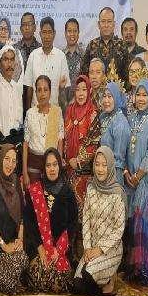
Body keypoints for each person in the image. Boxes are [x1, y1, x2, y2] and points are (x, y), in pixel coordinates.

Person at [72, 146, 126, 296]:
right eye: (97, 164)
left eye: (104, 165)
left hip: (110, 250)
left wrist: (100, 249)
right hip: (91, 248)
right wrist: (87, 248)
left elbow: (119, 230)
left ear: (110, 167)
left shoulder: (117, 193)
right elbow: (86, 221)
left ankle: (110, 278)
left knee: (87, 277)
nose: (100, 169)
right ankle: (101, 282)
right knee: (77, 284)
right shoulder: (91, 188)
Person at [25, 148, 78, 293]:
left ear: (59, 166)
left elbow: (72, 224)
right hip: (39, 248)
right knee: (38, 278)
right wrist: (40, 248)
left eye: (55, 164)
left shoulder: (67, 192)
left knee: (58, 283)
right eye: (48, 165)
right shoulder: (35, 190)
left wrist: (58, 250)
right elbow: (29, 222)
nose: (52, 169)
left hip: (60, 249)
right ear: (44, 168)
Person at [125, 78, 148, 282]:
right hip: (131, 179)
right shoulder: (130, 118)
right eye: (137, 95)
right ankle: (135, 266)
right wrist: (127, 174)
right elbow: (124, 146)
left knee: (144, 220)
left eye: (144, 95)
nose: (140, 99)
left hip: (147, 179)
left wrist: (139, 175)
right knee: (133, 223)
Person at [0, 145, 29, 294]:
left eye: (14, 161)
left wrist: (19, 239)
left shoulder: (15, 180)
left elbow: (22, 215)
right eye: (7, 159)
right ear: (1, 158)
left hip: (12, 238)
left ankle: (3, 275)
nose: (10, 164)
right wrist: (4, 246)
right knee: (9, 282)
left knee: (23, 258)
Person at [0, 44, 25, 171]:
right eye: (6, 59)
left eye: (12, 59)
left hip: (16, 148)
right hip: (0, 149)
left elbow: (19, 121)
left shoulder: (17, 88)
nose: (9, 64)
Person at [64, 75, 99, 206]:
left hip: (85, 171)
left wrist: (78, 160)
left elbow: (93, 142)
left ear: (89, 91)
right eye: (78, 89)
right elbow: (64, 136)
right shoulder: (69, 110)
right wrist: (68, 159)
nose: (80, 93)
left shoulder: (93, 112)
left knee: (84, 207)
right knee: (70, 206)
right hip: (69, 168)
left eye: (84, 89)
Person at [23, 75, 64, 186]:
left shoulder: (57, 112)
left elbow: (60, 140)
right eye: (39, 90)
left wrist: (59, 164)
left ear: (50, 92)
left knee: (50, 195)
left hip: (51, 164)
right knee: (34, 195)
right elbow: (25, 144)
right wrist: (24, 172)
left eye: (45, 90)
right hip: (33, 164)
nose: (42, 94)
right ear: (35, 93)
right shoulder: (30, 113)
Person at [24, 17, 70, 107]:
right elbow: (29, 87)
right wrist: (28, 111)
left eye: (50, 32)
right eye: (44, 32)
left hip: (55, 110)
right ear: (40, 34)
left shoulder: (61, 57)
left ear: (54, 34)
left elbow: (65, 88)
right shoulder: (33, 56)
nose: (47, 36)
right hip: (36, 110)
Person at [80, 7, 132, 88]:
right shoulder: (92, 45)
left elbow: (128, 76)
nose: (106, 25)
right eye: (103, 21)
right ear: (98, 24)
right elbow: (83, 74)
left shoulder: (122, 46)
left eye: (109, 21)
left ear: (114, 24)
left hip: (117, 93)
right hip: (95, 93)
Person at [99, 82, 131, 188]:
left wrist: (112, 184)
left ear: (116, 98)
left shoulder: (120, 123)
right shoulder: (104, 117)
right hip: (102, 172)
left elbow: (119, 160)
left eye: (110, 96)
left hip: (113, 177)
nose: (106, 100)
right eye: (104, 96)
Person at [60, 18, 86, 112]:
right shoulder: (60, 55)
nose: (72, 34)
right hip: (62, 104)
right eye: (69, 31)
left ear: (78, 33)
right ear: (65, 33)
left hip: (81, 103)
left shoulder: (84, 55)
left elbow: (87, 80)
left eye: (75, 31)